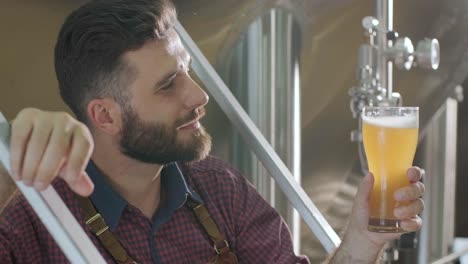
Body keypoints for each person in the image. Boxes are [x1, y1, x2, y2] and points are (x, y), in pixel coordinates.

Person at [0, 0, 425, 263]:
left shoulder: (220, 190)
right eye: (168, 85)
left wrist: (362, 241)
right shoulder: (33, 226)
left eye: (187, 71)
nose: (199, 96)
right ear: (105, 116)